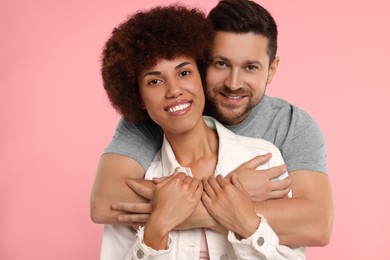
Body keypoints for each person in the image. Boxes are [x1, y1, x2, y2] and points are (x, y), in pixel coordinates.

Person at [91, 0, 333, 249]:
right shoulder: (170, 110)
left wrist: (183, 209)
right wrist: (232, 191)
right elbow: (105, 201)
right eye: (221, 64)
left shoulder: (291, 126)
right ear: (203, 60)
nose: (233, 83)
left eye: (250, 67)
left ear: (271, 70)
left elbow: (316, 225)